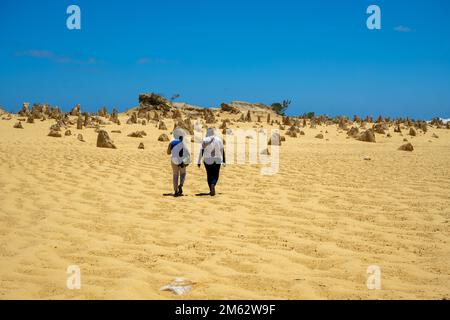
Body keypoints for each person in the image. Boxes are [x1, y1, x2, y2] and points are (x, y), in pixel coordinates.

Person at [198, 128, 225, 196]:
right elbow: (222, 150)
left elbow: (202, 151)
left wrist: (199, 161)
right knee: (216, 174)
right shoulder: (219, 139)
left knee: (209, 174)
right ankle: (213, 184)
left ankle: (211, 188)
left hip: (207, 159)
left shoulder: (205, 140)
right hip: (217, 159)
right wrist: (224, 160)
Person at [167, 129, 190, 197]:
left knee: (175, 175)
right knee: (183, 174)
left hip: (174, 160)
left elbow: (168, 153)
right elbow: (188, 154)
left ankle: (176, 190)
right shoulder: (184, 143)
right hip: (182, 161)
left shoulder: (172, 143)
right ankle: (181, 185)